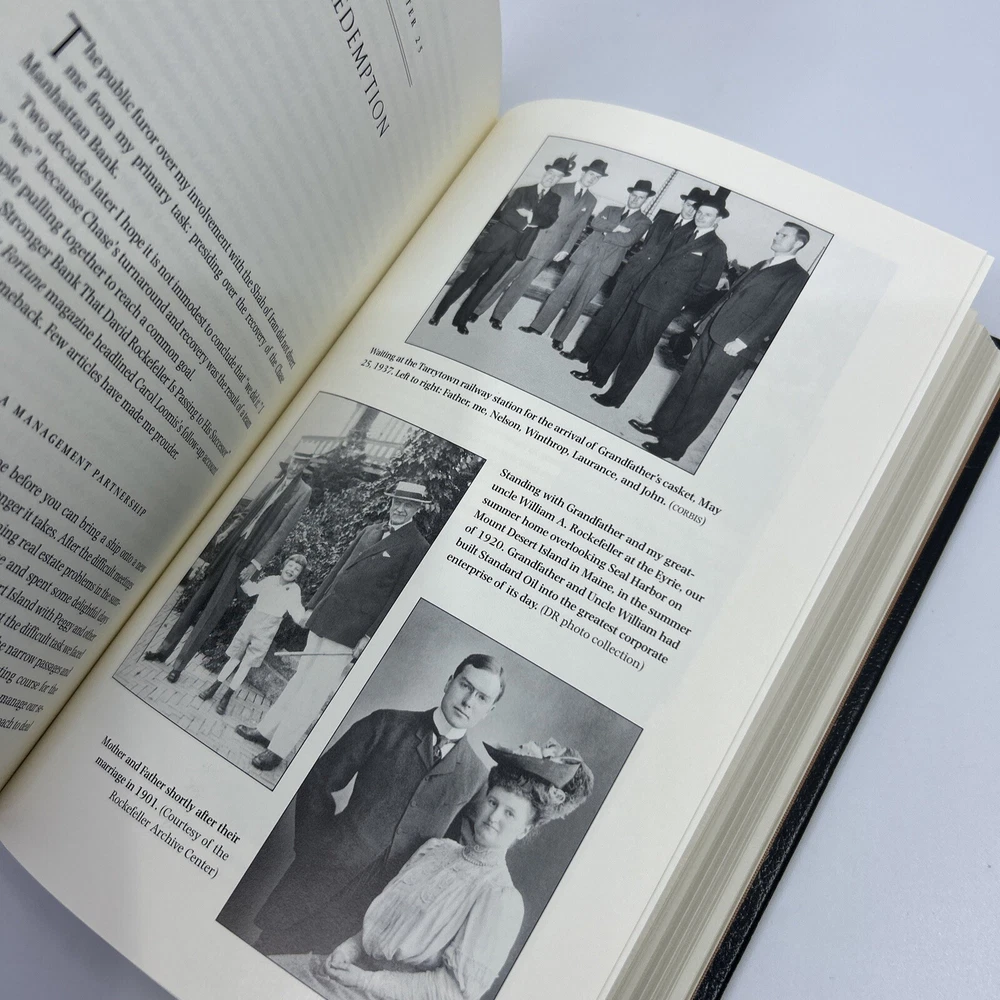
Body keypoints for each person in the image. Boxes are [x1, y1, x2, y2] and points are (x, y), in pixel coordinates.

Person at [270, 740, 594, 1000]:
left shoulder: (499, 898)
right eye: (493, 802)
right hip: (349, 977)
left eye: (510, 814)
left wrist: (368, 982)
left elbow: (450, 992)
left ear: (525, 830)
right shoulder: (436, 850)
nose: (494, 817)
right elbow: (384, 928)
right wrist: (349, 949)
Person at [249, 654, 505, 954]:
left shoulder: (476, 777)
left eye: (482, 697)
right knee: (264, 954)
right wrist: (313, 846)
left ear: (489, 711)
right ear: (449, 682)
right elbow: (318, 779)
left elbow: (452, 853)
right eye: (465, 686)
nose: (468, 701)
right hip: (319, 877)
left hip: (378, 913)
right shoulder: (386, 723)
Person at [237, 482, 432, 771]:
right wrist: (313, 606)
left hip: (352, 629)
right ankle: (266, 731)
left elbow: (397, 598)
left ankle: (278, 749)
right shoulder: (371, 530)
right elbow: (339, 569)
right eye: (397, 502)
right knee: (301, 678)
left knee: (314, 691)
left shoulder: (417, 547)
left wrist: (369, 635)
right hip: (327, 614)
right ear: (391, 502)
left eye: (409, 505)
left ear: (417, 509)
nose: (401, 509)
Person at [631, 222, 811, 461]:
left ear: (798, 243)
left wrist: (743, 341)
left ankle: (673, 447)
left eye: (783, 235)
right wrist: (703, 322)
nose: (776, 236)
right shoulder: (763, 264)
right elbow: (730, 297)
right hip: (713, 331)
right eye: (777, 232)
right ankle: (660, 427)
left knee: (704, 396)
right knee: (687, 382)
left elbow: (776, 314)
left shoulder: (796, 277)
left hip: (735, 344)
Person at [144, 456, 313, 682]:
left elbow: (280, 533)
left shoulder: (302, 492)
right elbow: (247, 512)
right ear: (289, 461)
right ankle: (164, 650)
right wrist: (228, 531)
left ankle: (179, 665)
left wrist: (256, 564)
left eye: (301, 464)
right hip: (231, 546)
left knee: (212, 611)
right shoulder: (273, 483)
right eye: (294, 461)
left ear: (305, 467)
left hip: (247, 557)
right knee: (197, 599)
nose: (295, 466)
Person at [584, 188, 730, 409]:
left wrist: (680, 301)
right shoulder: (682, 232)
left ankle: (615, 396)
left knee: (639, 348)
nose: (701, 216)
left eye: (708, 215)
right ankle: (597, 374)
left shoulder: (716, 247)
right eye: (700, 212)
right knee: (620, 335)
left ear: (717, 220)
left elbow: (706, 285)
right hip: (644, 291)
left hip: (664, 304)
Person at [563, 186, 707, 364]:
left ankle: (598, 360)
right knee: (607, 313)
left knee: (625, 324)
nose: (691, 210)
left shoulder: (692, 233)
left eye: (696, 208)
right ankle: (581, 351)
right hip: (633, 274)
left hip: (651, 283)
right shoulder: (663, 219)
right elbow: (648, 245)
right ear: (683, 202)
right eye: (689, 205)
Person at [426, 159, 567, 335]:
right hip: (494, 243)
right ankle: (438, 314)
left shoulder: (554, 199)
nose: (552, 178)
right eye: (551, 173)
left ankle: (461, 320)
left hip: (514, 250)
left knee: (486, 285)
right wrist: (530, 223)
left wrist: (529, 215)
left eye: (557, 177)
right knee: (467, 278)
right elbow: (506, 214)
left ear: (559, 180)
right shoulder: (522, 191)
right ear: (545, 173)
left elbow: (549, 221)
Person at [517, 179, 653, 350]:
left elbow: (628, 240)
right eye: (634, 195)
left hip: (603, 266)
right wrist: (616, 228)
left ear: (645, 200)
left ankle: (559, 337)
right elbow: (595, 223)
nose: (635, 200)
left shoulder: (644, 222)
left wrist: (605, 231)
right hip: (583, 256)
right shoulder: (610, 209)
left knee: (581, 301)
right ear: (630, 194)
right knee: (560, 292)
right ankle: (537, 326)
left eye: (640, 198)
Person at [478, 157, 604, 330]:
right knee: (505, 275)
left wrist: (566, 249)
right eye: (591, 174)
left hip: (552, 248)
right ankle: (478, 309)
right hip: (532, 239)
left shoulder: (591, 201)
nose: (592, 179)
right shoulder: (559, 187)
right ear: (584, 172)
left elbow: (578, 227)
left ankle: (499, 316)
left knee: (523, 283)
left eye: (597, 177)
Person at [198, 554, 310, 716]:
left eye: (297, 569)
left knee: (247, 663)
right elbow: (251, 590)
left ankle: (227, 696)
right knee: (235, 657)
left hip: (267, 629)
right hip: (251, 622)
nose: (292, 570)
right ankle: (214, 687)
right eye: (290, 566)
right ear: (283, 567)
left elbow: (297, 611)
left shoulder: (294, 591)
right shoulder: (270, 580)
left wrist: (304, 619)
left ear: (299, 575)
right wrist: (243, 578)